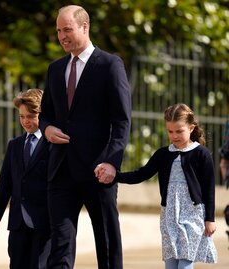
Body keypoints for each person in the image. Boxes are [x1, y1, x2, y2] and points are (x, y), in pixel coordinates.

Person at [39, 5, 131, 269]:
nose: (61, 36)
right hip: (60, 171)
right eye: (58, 30)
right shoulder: (55, 69)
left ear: (84, 26)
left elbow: (122, 120)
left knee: (107, 243)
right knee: (60, 245)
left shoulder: (110, 64)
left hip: (98, 170)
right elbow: (46, 114)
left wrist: (112, 162)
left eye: (67, 29)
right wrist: (47, 129)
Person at [107, 103, 217, 269]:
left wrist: (210, 219)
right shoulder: (163, 154)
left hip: (193, 214)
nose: (174, 136)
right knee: (171, 263)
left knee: (185, 262)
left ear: (191, 127)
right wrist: (116, 176)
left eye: (179, 131)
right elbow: (141, 174)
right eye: (170, 131)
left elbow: (209, 189)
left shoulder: (201, 154)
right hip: (169, 215)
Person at [0, 89, 51, 269]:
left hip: (43, 221)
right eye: (22, 116)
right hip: (17, 223)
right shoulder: (14, 145)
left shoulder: (51, 145)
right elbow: (5, 182)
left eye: (31, 116)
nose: (25, 121)